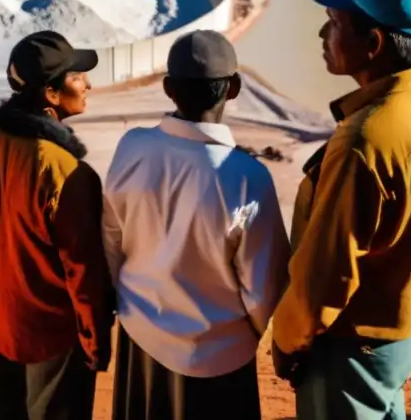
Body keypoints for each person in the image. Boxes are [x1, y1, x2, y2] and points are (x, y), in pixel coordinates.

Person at [270, 0, 411, 420]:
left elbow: (326, 274)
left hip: (353, 348)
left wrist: (287, 341)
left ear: (373, 43)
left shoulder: (365, 140)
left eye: (333, 23)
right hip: (404, 333)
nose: (322, 34)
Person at [102, 29, 291, 420]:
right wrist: (250, 332)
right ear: (234, 88)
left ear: (169, 88)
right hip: (221, 355)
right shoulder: (247, 175)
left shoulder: (132, 147)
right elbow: (261, 284)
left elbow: (110, 242)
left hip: (143, 344)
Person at [0, 30, 114, 420]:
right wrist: (95, 341)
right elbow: (81, 268)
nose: (88, 85)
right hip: (53, 331)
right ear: (51, 93)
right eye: (78, 77)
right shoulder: (68, 172)